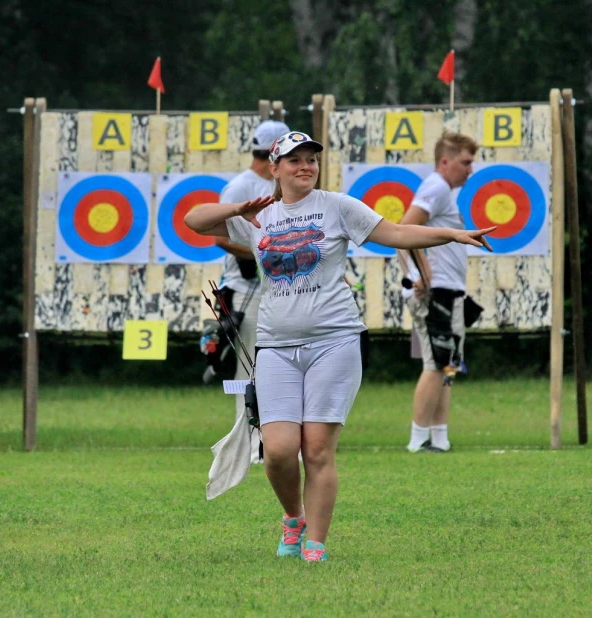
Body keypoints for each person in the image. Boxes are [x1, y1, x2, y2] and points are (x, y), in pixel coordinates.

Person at [185, 130, 494, 562]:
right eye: (294, 160)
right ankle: (294, 519)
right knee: (276, 451)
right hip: (275, 346)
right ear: (275, 169)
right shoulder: (258, 215)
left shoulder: (337, 206)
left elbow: (398, 233)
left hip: (334, 342)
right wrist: (239, 209)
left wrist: (452, 236)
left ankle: (315, 545)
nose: (305, 166)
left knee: (316, 449)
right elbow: (194, 220)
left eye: (311, 158)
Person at [208, 119, 289, 464]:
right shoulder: (242, 187)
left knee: (274, 366)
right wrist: (265, 254)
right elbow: (219, 237)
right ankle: (252, 443)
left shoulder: (278, 185)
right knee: (250, 370)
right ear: (273, 151)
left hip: (274, 290)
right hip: (245, 289)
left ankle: (268, 440)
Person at [400, 131, 478, 454]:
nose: (470, 170)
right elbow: (404, 230)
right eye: (465, 162)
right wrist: (417, 274)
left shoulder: (444, 191)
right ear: (445, 162)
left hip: (449, 291)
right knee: (435, 364)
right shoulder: (436, 187)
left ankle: (440, 438)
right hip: (438, 293)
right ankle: (418, 441)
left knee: (447, 363)